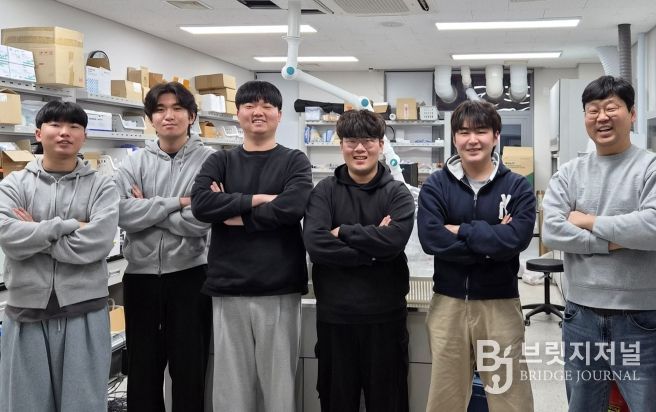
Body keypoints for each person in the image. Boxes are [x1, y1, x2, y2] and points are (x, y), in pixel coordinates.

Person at [191, 80, 313, 412]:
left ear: (279, 114)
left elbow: (292, 207)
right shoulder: (220, 161)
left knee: (279, 386)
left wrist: (233, 211)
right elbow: (202, 205)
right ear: (238, 113)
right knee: (231, 388)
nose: (257, 112)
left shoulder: (294, 161)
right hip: (229, 286)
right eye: (249, 106)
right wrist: (260, 199)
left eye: (266, 106)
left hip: (279, 286)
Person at [542, 75, 656, 411]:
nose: (601, 117)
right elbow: (552, 232)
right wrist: (614, 241)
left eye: (611, 108)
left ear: (631, 114)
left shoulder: (649, 168)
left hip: (641, 317)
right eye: (593, 110)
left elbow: (651, 227)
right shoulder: (569, 172)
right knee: (582, 405)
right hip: (581, 315)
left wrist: (588, 221)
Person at [0, 100, 119, 412]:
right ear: (39, 133)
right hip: (26, 313)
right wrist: (69, 226)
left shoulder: (102, 186)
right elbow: (8, 236)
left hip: (84, 311)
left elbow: (97, 243)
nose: (64, 132)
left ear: (84, 136)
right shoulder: (14, 184)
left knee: (83, 404)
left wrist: (34, 232)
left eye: (74, 126)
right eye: (55, 125)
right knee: (24, 404)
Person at [417, 100, 536, 412]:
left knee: (510, 398)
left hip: (500, 304)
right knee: (445, 398)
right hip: (448, 303)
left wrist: (460, 230)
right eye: (464, 132)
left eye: (481, 131)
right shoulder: (436, 185)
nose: (472, 140)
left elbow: (516, 240)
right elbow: (431, 239)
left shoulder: (517, 187)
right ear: (454, 137)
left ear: (496, 136)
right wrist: (492, 241)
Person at [302, 109, 415, 412]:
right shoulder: (324, 192)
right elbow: (315, 244)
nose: (360, 149)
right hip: (335, 319)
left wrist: (343, 231)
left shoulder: (397, 193)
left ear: (381, 144)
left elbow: (394, 241)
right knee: (337, 401)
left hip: (385, 318)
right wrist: (373, 250)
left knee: (388, 402)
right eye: (351, 141)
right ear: (341, 145)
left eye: (368, 141)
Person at [115, 82, 213, 411]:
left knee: (190, 372)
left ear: (191, 116)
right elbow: (123, 214)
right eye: (159, 110)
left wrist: (149, 209)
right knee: (142, 373)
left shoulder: (211, 162)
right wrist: (179, 202)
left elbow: (201, 219)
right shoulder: (133, 163)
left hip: (191, 276)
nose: (168, 116)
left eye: (177, 108)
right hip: (140, 279)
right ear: (150, 118)